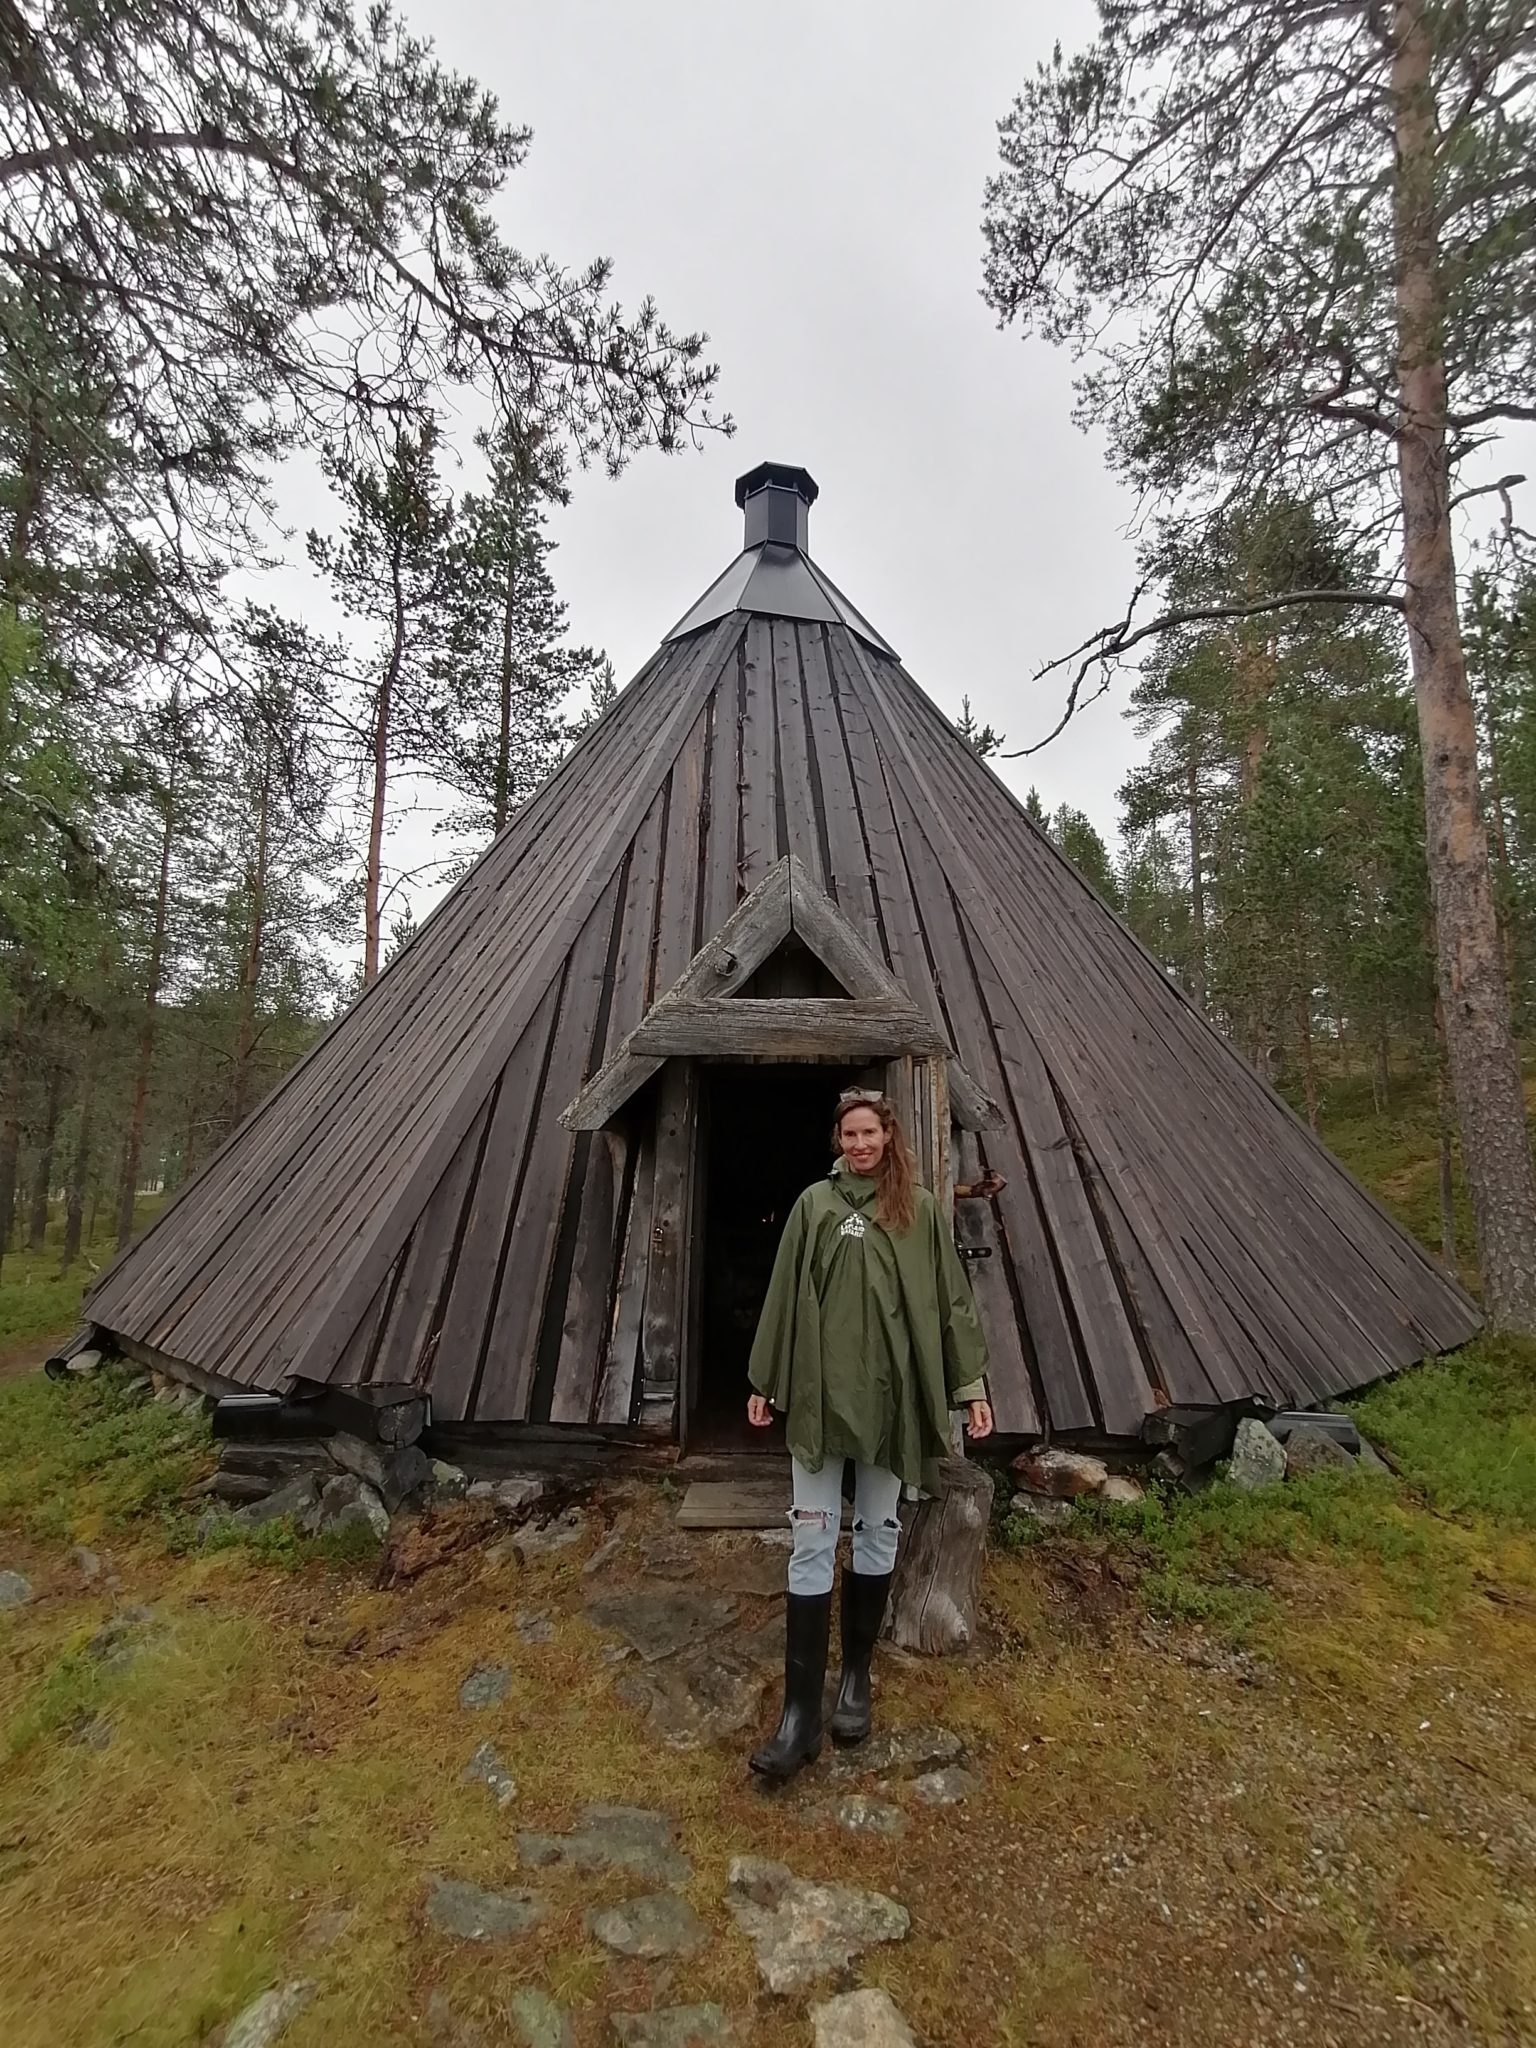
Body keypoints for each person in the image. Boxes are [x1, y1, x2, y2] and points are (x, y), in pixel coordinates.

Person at [744, 1086, 993, 1780]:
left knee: (879, 1530)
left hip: (888, 1404)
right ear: (837, 1142)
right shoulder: (812, 1208)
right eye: (849, 1135)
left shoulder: (915, 1211)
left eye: (870, 1134)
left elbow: (949, 1301)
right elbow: (785, 1294)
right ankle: (799, 1716)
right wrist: (767, 1382)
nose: (859, 1145)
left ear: (888, 1138)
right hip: (821, 1402)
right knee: (814, 1536)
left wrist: (968, 1388)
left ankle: (855, 1678)